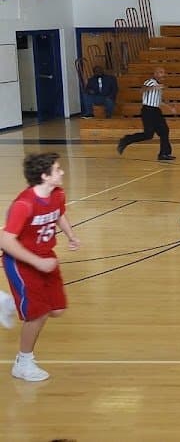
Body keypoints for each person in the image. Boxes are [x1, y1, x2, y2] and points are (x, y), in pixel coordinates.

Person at [0, 152, 80, 382]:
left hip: (46, 256)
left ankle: (7, 303)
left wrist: (71, 235)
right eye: (57, 170)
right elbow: (5, 241)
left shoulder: (58, 194)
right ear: (45, 176)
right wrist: (37, 263)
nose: (62, 172)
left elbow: (59, 215)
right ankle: (23, 363)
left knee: (57, 309)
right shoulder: (24, 204)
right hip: (22, 262)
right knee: (38, 313)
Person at [116, 66, 177, 160]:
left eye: (163, 72)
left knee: (164, 131)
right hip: (148, 111)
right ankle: (125, 140)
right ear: (155, 74)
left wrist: (170, 108)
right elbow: (142, 90)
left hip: (156, 111)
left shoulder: (159, 85)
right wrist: (154, 87)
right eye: (160, 72)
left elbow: (158, 100)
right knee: (148, 135)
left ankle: (164, 154)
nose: (163, 74)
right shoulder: (150, 82)